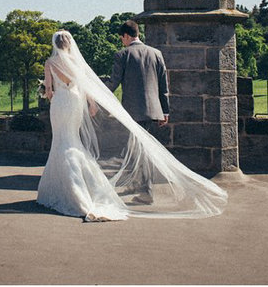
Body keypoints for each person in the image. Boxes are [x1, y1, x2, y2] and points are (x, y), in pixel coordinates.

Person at [36, 29, 227, 222]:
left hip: (62, 103)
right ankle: (137, 187)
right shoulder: (78, 62)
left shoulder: (51, 63)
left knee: (63, 140)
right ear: (70, 44)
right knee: (75, 140)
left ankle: (79, 188)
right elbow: (163, 85)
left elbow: (50, 91)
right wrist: (93, 103)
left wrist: (45, 91)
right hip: (78, 103)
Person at [108, 19, 169, 203]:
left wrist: (94, 92)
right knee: (137, 149)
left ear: (126, 36)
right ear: (138, 34)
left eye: (122, 38)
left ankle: (147, 192)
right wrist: (165, 111)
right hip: (154, 111)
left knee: (142, 151)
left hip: (133, 112)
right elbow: (163, 85)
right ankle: (136, 184)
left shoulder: (122, 55)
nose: (122, 42)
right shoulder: (156, 53)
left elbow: (113, 82)